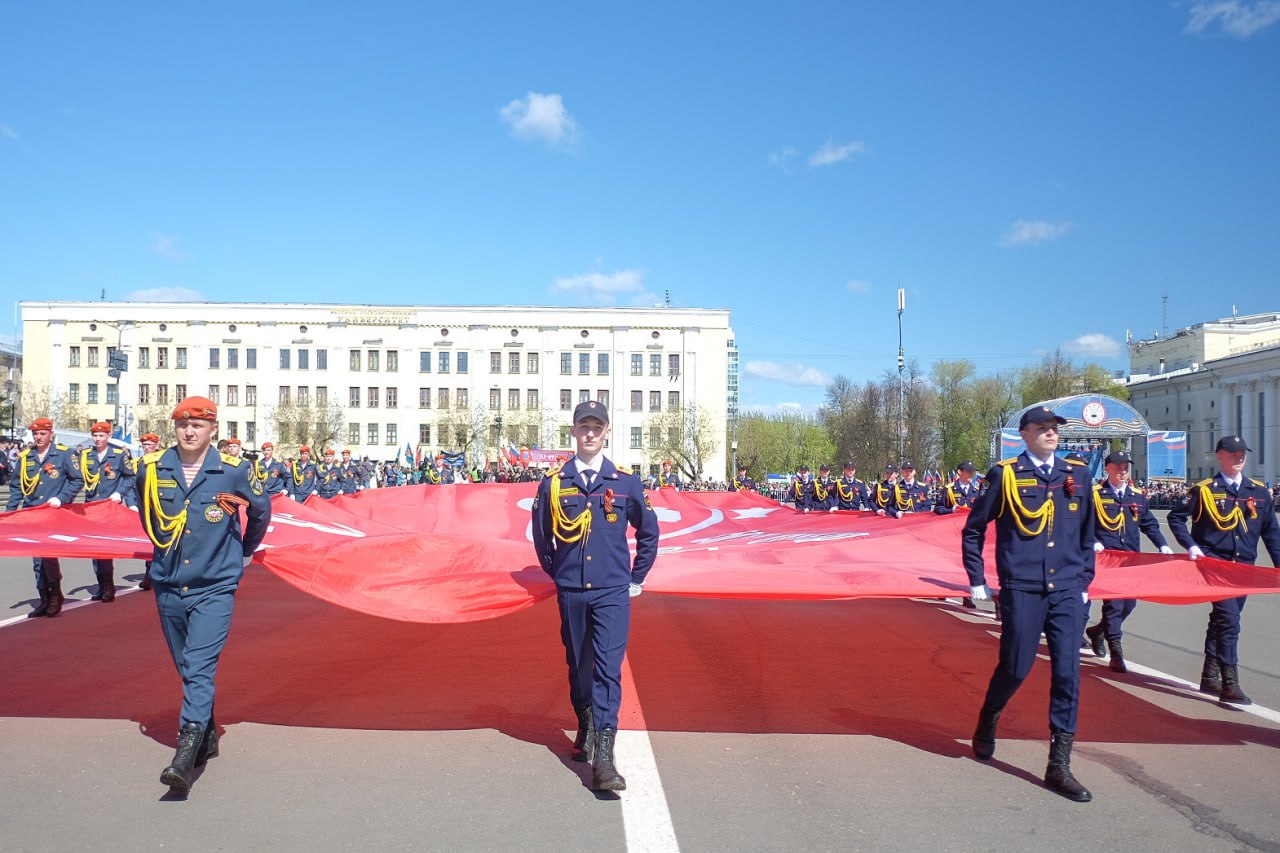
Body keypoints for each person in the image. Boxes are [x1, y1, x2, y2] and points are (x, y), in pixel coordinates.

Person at [134, 396, 271, 793]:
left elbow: (260, 511)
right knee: (184, 663)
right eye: (182, 425)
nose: (189, 432)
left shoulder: (233, 470)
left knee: (198, 663)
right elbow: (148, 513)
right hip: (169, 580)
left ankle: (185, 752)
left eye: (198, 425)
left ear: (213, 429)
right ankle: (207, 733)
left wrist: (243, 550)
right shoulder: (152, 468)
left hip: (215, 585)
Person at [962, 406, 1096, 802]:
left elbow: (1088, 532)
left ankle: (1059, 765)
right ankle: (989, 717)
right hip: (1023, 587)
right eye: (1043, 428)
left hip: (1068, 589)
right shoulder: (1005, 475)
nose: (1051, 434)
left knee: (1068, 673)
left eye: (1055, 429)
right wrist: (977, 580)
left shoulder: (1077, 474)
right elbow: (973, 531)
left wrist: (1085, 578)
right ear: (1024, 434)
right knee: (1016, 666)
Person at [531, 400, 660, 792]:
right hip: (572, 591)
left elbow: (649, 532)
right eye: (583, 426)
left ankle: (604, 757)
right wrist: (562, 574)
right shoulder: (554, 483)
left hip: (611, 592)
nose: (590, 433)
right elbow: (542, 538)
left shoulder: (625, 482)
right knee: (579, 665)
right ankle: (585, 726)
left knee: (607, 669)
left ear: (607, 432)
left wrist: (634, 578)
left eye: (596, 427)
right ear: (573, 432)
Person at [1168, 435, 1280, 705]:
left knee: (1223, 619)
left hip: (1244, 567)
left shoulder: (1258, 492)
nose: (1239, 457)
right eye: (1233, 453)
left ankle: (1209, 675)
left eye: (1242, 453)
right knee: (1229, 621)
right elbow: (1176, 517)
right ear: (1219, 455)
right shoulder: (1205, 489)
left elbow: (1271, 533)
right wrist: (1192, 546)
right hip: (1216, 565)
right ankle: (1230, 682)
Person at [1083, 451, 1173, 673]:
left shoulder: (1136, 496)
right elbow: (1081, 523)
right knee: (1113, 605)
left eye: (1125, 467)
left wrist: (1162, 544)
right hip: (1107, 561)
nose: (1122, 471)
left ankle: (1098, 631)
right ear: (1108, 469)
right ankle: (1116, 652)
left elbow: (1149, 524)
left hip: (1131, 561)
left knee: (1129, 604)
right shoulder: (1095, 494)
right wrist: (1093, 540)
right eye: (1118, 467)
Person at [7, 417, 82, 616]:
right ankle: (44, 597)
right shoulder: (26, 457)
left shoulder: (64, 454)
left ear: (51, 434)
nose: (38, 437)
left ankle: (55, 595)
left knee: (48, 555)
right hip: (32, 513)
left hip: (53, 512)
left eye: (42, 434)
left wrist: (61, 498)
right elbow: (16, 487)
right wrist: (9, 514)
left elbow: (77, 480)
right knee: (36, 558)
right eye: (36, 434)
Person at [78, 421, 135, 602]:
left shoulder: (118, 455)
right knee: (94, 549)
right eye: (95, 436)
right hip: (92, 507)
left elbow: (130, 476)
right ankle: (101, 585)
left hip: (110, 507)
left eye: (101, 436)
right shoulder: (86, 455)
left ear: (108, 436)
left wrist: (119, 493)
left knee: (105, 549)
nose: (97, 439)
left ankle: (108, 585)